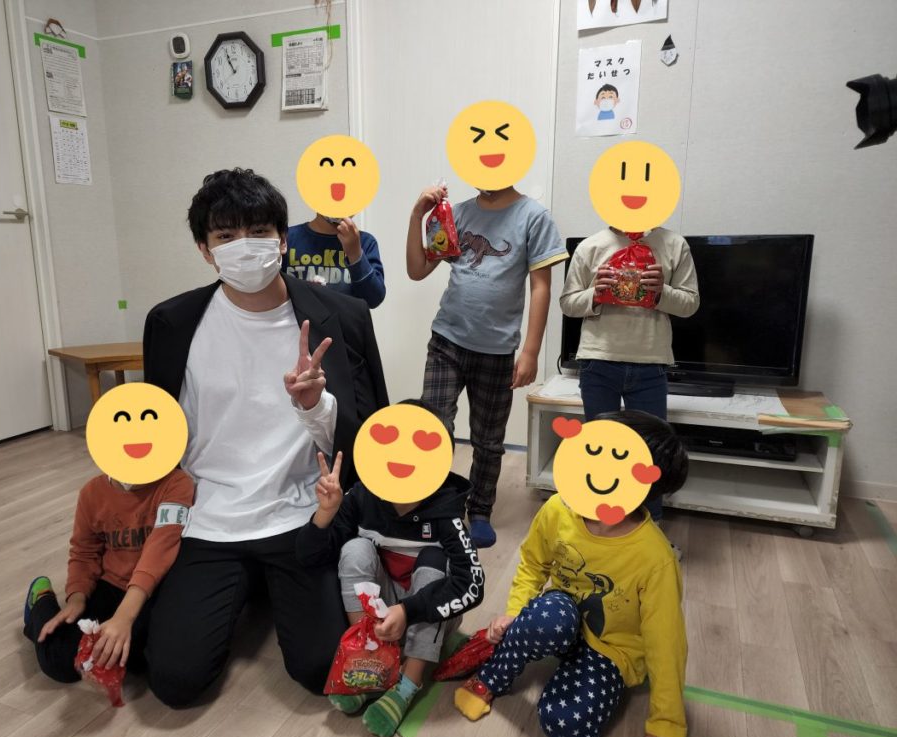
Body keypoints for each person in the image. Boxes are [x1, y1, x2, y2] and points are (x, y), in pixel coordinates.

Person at [142, 168, 390, 707]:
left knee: (322, 668)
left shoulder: (342, 317)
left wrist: (315, 404)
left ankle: (263, 583)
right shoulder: (173, 323)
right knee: (175, 681)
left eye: (258, 231)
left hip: (302, 513)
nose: (244, 246)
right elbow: (156, 435)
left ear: (282, 239)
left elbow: (368, 442)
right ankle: (246, 583)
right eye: (225, 235)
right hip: (210, 516)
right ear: (205, 250)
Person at [454, 411, 702, 737]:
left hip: (613, 650)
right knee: (547, 617)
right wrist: (514, 613)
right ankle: (493, 674)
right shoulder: (559, 509)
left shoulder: (655, 558)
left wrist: (667, 723)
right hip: (562, 618)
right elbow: (533, 563)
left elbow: (667, 642)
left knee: (568, 728)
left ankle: (571, 674)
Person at [295, 399, 484, 737]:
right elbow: (309, 556)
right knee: (354, 549)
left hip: (426, 611)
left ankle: (408, 683)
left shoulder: (447, 512)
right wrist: (326, 512)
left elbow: (472, 584)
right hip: (381, 608)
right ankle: (371, 661)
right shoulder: (361, 497)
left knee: (434, 562)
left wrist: (409, 610)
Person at [406, 183, 566, 549]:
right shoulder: (458, 213)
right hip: (447, 341)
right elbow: (417, 270)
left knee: (488, 439)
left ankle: (479, 508)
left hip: (496, 351)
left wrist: (531, 351)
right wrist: (417, 217)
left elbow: (540, 287)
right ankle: (432, 502)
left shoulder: (533, 217)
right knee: (434, 427)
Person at [559, 226, 698, 523]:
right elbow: (567, 303)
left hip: (651, 361)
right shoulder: (591, 246)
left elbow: (690, 304)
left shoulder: (674, 244)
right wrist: (596, 294)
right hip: (599, 360)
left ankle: (650, 525)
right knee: (598, 448)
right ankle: (597, 523)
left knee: (652, 453)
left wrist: (662, 292)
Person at [22, 469, 194, 683]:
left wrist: (124, 617)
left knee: (140, 659)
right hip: (109, 586)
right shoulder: (92, 492)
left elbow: (161, 548)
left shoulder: (176, 483)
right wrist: (77, 598)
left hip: (151, 591)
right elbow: (84, 552)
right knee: (60, 662)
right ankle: (41, 599)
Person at [283, 214, 386, 308]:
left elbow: (374, 299)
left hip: (348, 321)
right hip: (297, 321)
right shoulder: (287, 239)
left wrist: (355, 254)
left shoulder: (365, 242)